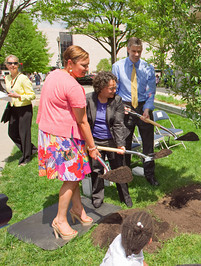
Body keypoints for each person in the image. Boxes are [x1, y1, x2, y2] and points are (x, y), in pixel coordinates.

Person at [37, 45, 100, 240]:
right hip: (63, 137)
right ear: (70, 63)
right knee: (72, 177)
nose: (86, 70)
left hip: (49, 133)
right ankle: (60, 220)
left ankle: (78, 209)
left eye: (88, 65)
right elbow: (83, 121)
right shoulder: (74, 87)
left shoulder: (53, 74)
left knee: (76, 173)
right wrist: (92, 147)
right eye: (83, 65)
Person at [112, 37, 158, 186]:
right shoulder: (117, 67)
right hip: (125, 107)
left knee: (148, 144)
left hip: (144, 106)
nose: (137, 54)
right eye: (134, 51)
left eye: (139, 51)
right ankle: (125, 175)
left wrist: (147, 109)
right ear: (127, 49)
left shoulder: (148, 68)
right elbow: (115, 92)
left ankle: (149, 174)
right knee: (124, 143)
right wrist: (119, 106)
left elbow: (151, 92)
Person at [86, 71, 133, 208]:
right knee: (96, 171)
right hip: (95, 142)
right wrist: (89, 144)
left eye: (115, 87)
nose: (114, 90)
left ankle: (125, 196)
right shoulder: (88, 100)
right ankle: (97, 197)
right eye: (111, 88)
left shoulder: (117, 100)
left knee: (119, 169)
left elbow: (118, 124)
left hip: (112, 140)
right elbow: (85, 123)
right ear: (101, 88)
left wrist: (120, 145)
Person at [4, 55, 37, 166]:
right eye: (10, 63)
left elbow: (32, 95)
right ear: (6, 65)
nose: (12, 65)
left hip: (24, 108)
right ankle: (31, 149)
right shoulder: (7, 78)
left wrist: (19, 96)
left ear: (18, 65)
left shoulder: (23, 78)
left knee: (24, 133)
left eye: (15, 63)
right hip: (13, 108)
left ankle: (26, 158)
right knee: (12, 133)